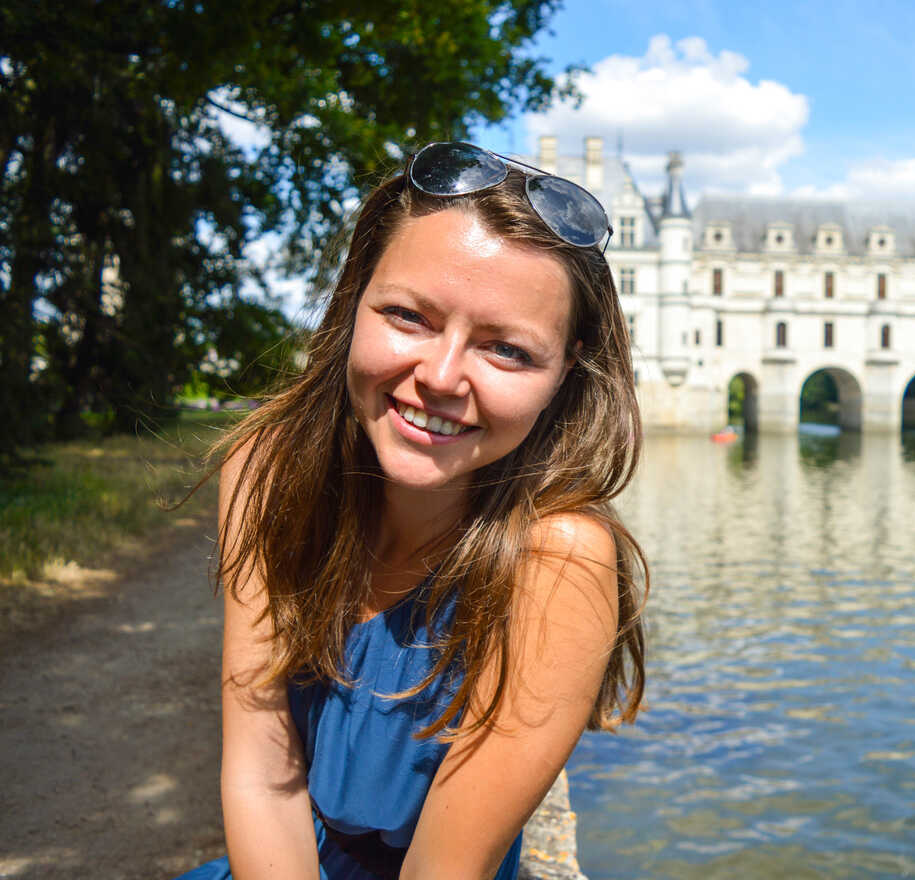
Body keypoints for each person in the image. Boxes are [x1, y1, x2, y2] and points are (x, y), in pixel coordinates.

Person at [177, 142, 647, 880]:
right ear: (353, 301)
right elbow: (262, 778)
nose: (440, 376)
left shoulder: (555, 560)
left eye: (508, 351)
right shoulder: (265, 470)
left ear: (566, 373)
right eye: (407, 315)